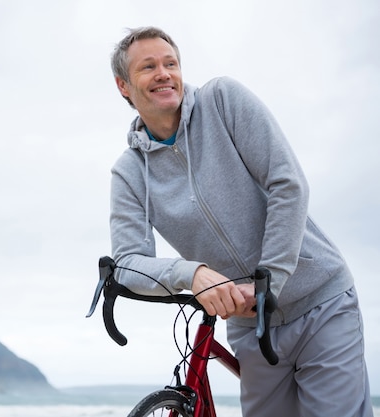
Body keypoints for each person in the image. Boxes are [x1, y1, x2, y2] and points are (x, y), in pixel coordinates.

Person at [108, 26, 372, 416]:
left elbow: (288, 183)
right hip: (252, 329)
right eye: (148, 67)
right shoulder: (129, 173)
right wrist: (191, 273)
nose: (164, 73)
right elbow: (128, 261)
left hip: (321, 302)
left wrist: (270, 283)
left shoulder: (222, 101)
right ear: (124, 86)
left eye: (171, 63)